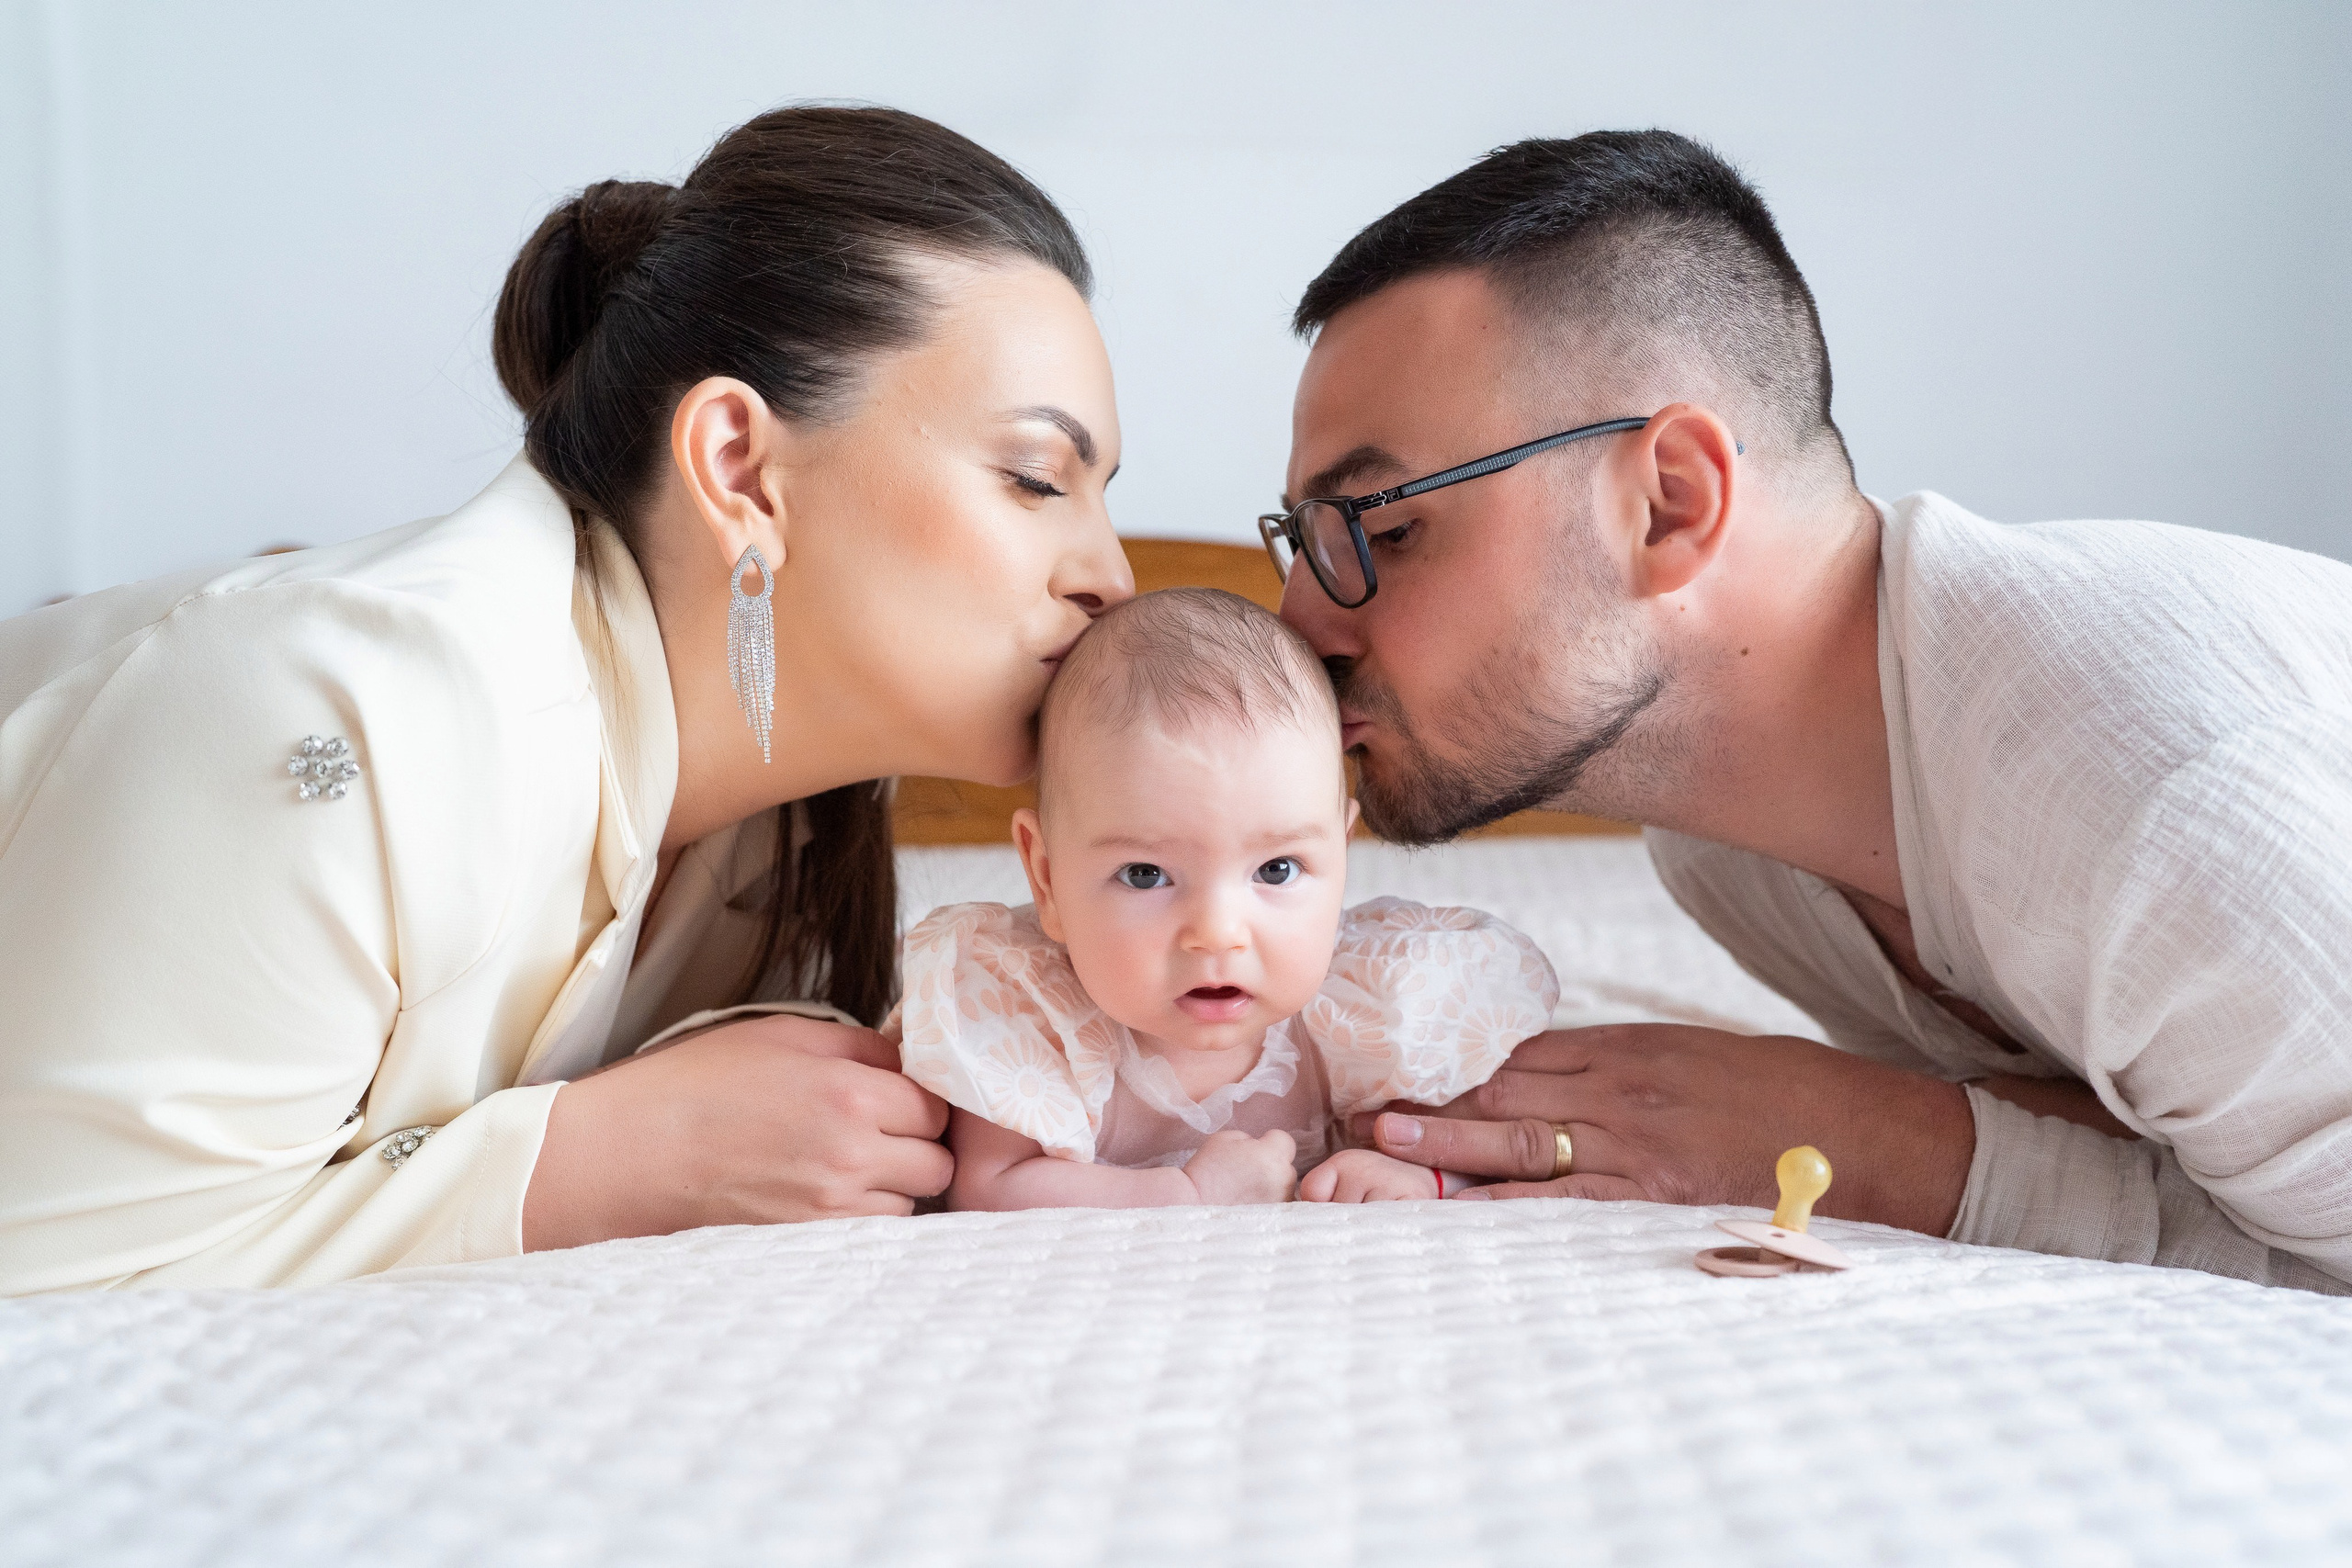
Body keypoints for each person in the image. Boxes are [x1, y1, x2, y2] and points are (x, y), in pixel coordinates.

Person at [0, 106, 1132, 1292]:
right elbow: (42, 1289)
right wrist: (592, 1161)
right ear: (741, 467)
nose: (1111, 573)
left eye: (1101, 493)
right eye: (1037, 477)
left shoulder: (788, 826)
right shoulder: (332, 725)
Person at [1261, 130, 2352, 1292]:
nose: (1292, 622)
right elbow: (2146, 1145)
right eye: (1304, 543)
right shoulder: (1720, 852)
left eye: (1379, 530)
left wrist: (1876, 1146)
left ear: (1669, 504)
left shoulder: (2162, 803)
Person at [898, 587, 1557, 1210]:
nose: (1217, 933)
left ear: (1341, 855)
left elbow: (1476, 1142)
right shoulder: (1032, 1022)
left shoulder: (1366, 1017)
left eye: (1276, 869)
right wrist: (1186, 1195)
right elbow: (988, 1188)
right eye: (1145, 874)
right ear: (1046, 878)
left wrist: (1417, 1172)